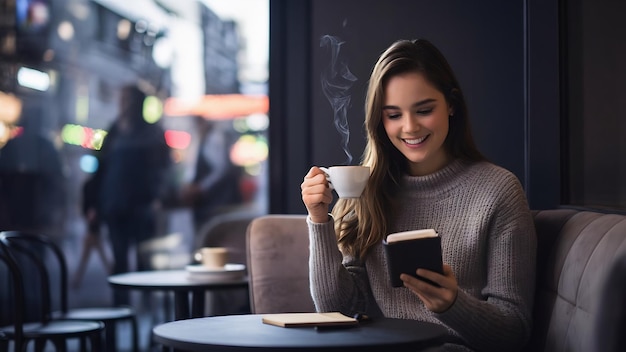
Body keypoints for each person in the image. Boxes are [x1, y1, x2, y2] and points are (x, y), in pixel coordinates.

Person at [301, 39, 537, 352]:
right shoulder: (367, 190)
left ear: (451, 104)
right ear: (378, 120)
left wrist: (452, 304)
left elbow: (513, 332)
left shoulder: (498, 191)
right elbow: (338, 310)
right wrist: (319, 220)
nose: (410, 127)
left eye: (424, 110)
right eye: (393, 115)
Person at [95, 84, 172, 306]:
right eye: (122, 99)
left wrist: (158, 196)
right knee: (119, 261)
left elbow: (163, 169)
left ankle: (146, 309)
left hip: (142, 207)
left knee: (143, 261)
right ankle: (121, 308)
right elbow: (101, 170)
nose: (124, 104)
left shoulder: (152, 132)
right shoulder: (114, 132)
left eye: (128, 99)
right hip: (114, 206)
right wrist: (94, 205)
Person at [180, 116, 243, 237]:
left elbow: (221, 169)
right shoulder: (200, 139)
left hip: (216, 203)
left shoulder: (214, 138)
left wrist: (201, 188)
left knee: (215, 236)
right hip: (205, 204)